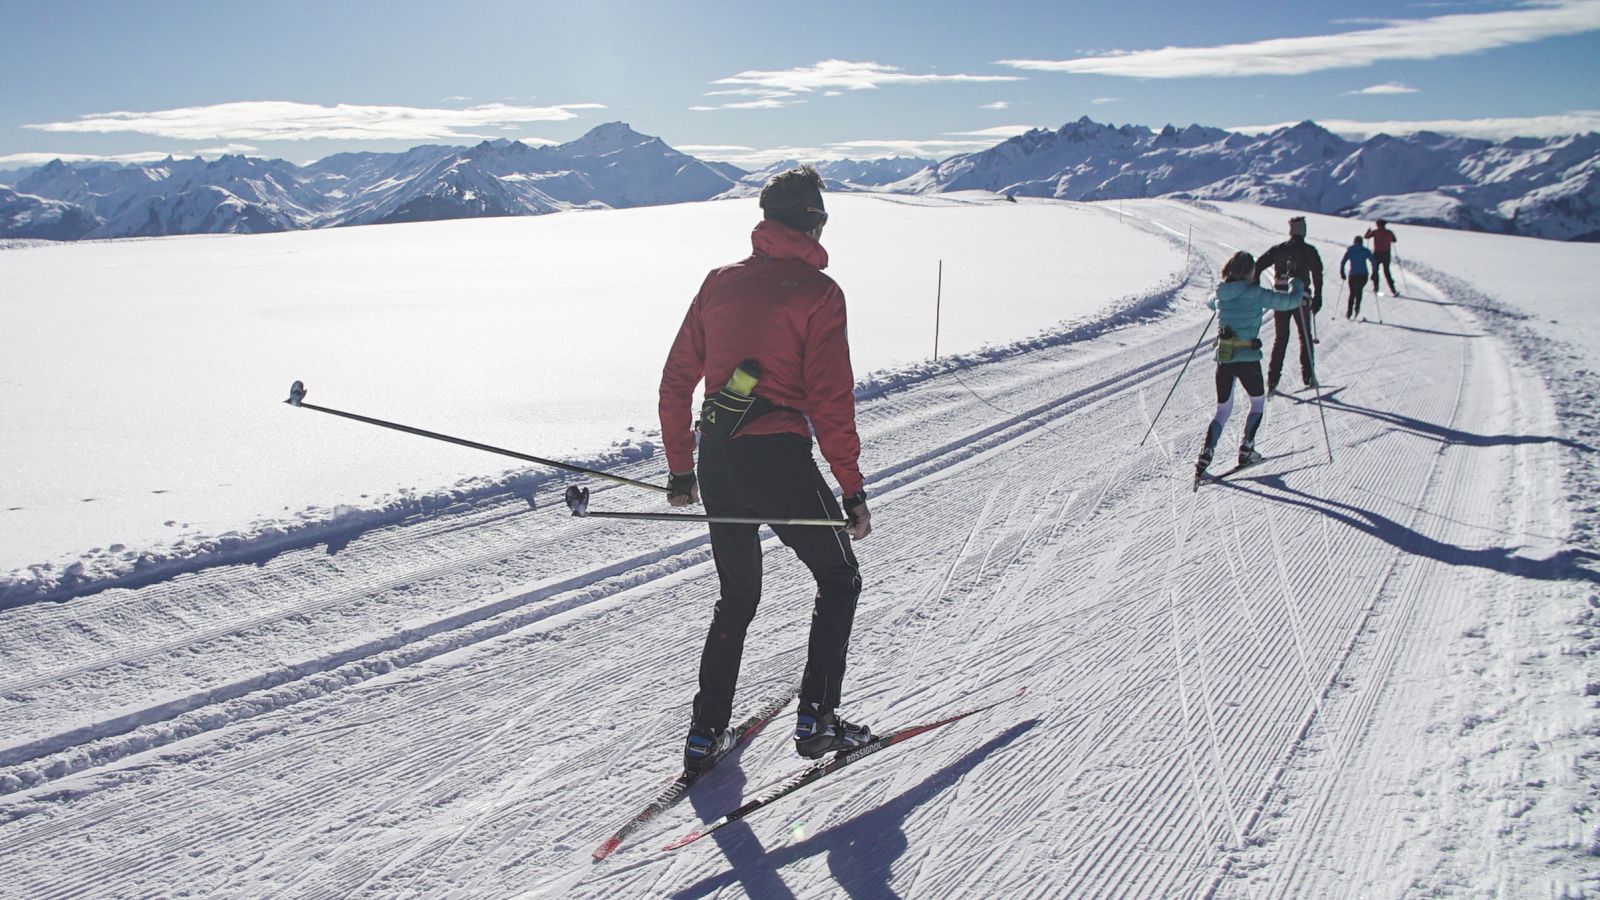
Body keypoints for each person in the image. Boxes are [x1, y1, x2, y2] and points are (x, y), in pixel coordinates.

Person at [658, 164, 874, 771]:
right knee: (839, 580)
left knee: (737, 598)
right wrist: (851, 489)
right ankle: (818, 722)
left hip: (720, 457)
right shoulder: (819, 294)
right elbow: (831, 400)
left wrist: (682, 469)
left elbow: (677, 381)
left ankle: (705, 737)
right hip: (778, 458)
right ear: (812, 222)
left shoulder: (719, 283)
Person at [1196, 250, 1307, 481]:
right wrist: (1296, 282)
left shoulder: (1220, 293)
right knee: (1257, 403)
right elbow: (1290, 301)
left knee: (1222, 411)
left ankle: (1205, 457)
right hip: (1248, 360)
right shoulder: (1256, 293)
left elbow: (1210, 303)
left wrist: (1219, 301)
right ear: (1249, 272)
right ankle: (1246, 450)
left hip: (1224, 359)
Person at [1252, 216, 1324, 393]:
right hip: (1302, 297)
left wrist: (1255, 281)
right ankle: (1308, 376)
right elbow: (1317, 274)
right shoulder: (1310, 251)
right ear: (1303, 230)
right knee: (1305, 337)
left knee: (1281, 338)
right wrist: (1318, 296)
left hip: (1280, 297)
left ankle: (1272, 379)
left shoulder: (1279, 249)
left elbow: (1259, 263)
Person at [1340, 235, 1375, 320]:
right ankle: (1357, 310)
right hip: (1363, 274)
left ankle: (1349, 313)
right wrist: (1374, 272)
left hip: (1353, 274)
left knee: (1352, 293)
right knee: (1359, 291)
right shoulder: (1365, 251)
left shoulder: (1350, 251)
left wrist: (1342, 272)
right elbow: (1373, 262)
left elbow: (1343, 262)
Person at [1364, 218, 1399, 296]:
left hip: (1377, 253)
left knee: (1375, 270)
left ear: (1378, 225)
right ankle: (1393, 290)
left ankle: (1376, 288)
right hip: (1386, 254)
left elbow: (1366, 237)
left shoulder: (1375, 232)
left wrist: (1368, 231)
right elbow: (1394, 240)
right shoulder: (1389, 232)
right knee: (1387, 272)